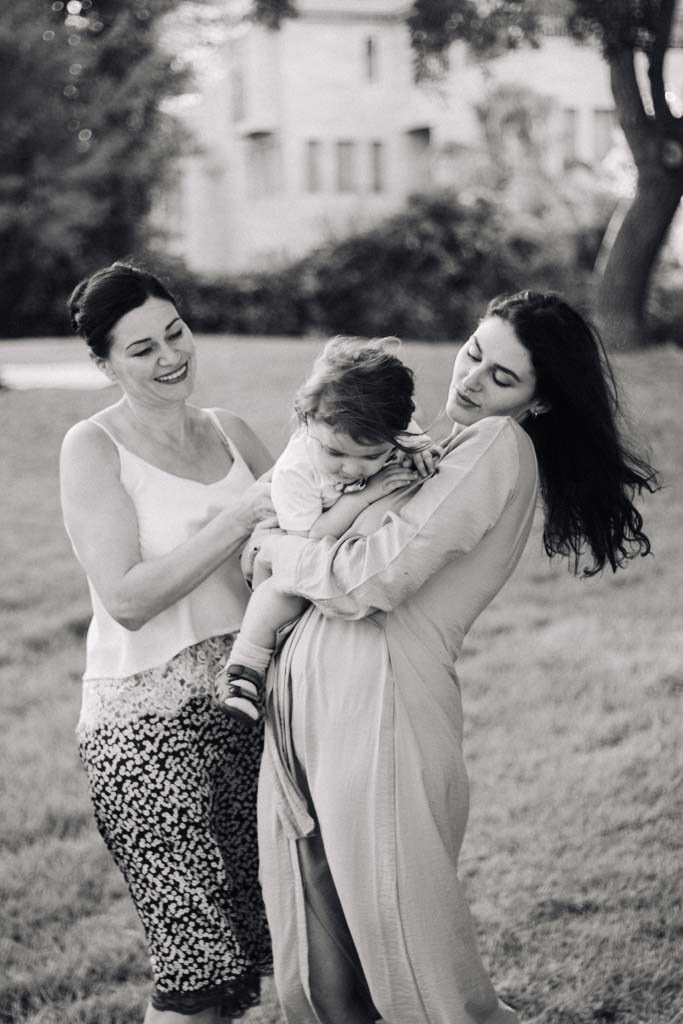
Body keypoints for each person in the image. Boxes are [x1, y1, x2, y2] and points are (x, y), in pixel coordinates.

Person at [249, 291, 658, 1024]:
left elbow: (370, 578)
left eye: (502, 378)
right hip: (318, 704)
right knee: (325, 953)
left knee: (410, 960)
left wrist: (276, 550)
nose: (470, 380)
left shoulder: (495, 448)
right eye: (474, 352)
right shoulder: (424, 448)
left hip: (381, 705)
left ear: (536, 403)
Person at [59, 262, 275, 1023]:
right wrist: (240, 517)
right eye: (141, 349)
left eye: (174, 333)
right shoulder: (94, 447)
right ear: (105, 364)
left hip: (249, 714)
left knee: (251, 958)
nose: (170, 357)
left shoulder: (234, 433)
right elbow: (126, 598)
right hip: (143, 731)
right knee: (197, 976)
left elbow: (312, 540)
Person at [221, 335, 439, 724]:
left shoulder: (389, 427)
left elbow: (410, 431)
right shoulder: (296, 470)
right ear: (307, 420)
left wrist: (421, 448)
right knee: (281, 592)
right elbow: (304, 546)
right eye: (336, 453)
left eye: (372, 456)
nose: (353, 469)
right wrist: (364, 495)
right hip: (293, 548)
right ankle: (244, 670)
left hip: (339, 558)